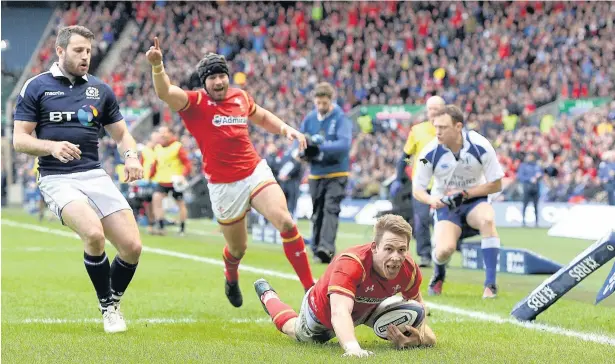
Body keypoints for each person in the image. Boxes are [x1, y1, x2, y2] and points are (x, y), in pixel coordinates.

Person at [145, 38, 315, 305]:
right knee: (238, 248)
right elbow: (165, 92)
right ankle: (231, 275)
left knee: (285, 221)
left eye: (222, 75)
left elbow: (261, 116)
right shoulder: (194, 103)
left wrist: (286, 129)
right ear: (204, 82)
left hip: (254, 171)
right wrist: (158, 66)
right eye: (212, 78)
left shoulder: (240, 96)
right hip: (224, 185)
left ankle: (310, 288)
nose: (219, 82)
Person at [12, 25, 144, 333]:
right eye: (78, 51)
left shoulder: (100, 89)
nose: (86, 57)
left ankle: (113, 298)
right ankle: (109, 308)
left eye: (88, 51)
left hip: (94, 174)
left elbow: (123, 134)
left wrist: (132, 157)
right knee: (94, 235)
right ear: (60, 51)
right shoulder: (36, 86)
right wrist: (52, 146)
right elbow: (19, 139)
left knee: (132, 247)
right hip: (57, 178)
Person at [253, 214, 436, 358]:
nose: (396, 257)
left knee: (416, 322)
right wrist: (353, 348)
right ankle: (268, 296)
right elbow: (339, 312)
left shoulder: (409, 270)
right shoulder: (351, 263)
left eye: (402, 250)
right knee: (294, 330)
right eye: (389, 249)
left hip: (366, 308)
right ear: (374, 248)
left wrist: (417, 338)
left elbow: (419, 310)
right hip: (322, 312)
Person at [412, 105, 504, 299]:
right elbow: (417, 190)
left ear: (458, 126)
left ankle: (490, 286)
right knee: (445, 250)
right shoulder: (428, 154)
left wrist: (465, 193)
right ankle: (439, 273)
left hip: (474, 202)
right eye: (436, 127)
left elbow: (496, 185)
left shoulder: (481, 146)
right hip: (446, 207)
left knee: (488, 219)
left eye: (443, 127)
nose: (437, 132)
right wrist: (431, 199)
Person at [299, 82, 353, 264]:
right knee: (317, 211)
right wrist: (302, 152)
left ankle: (326, 248)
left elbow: (344, 144)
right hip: (315, 173)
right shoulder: (309, 118)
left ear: (331, 101)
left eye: (324, 104)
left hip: (337, 173)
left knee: (331, 209)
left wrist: (319, 147)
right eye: (318, 103)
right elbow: (300, 140)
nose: (321, 107)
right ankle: (316, 246)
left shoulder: (340, 118)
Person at [391, 95, 445, 267]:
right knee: (420, 219)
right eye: (430, 109)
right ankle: (425, 255)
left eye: (437, 109)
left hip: (445, 183)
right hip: (421, 183)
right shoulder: (417, 130)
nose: (433, 113)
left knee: (444, 220)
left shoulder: (449, 130)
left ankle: (442, 254)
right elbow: (406, 157)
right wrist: (404, 173)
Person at [149, 125, 192, 236]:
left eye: (164, 132)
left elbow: (187, 164)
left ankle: (182, 228)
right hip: (162, 180)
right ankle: (161, 226)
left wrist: (183, 175)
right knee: (156, 199)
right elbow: (155, 164)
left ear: (171, 134)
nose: (162, 134)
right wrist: (150, 176)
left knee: (180, 204)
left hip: (175, 181)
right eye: (160, 132)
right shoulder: (157, 147)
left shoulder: (177, 147)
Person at [516, 153, 543, 227]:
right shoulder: (523, 166)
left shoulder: (537, 166)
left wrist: (539, 176)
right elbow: (520, 177)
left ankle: (536, 222)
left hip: (535, 188)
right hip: (527, 187)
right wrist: (530, 179)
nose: (530, 158)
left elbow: (541, 174)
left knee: (536, 205)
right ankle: (523, 221)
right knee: (525, 205)